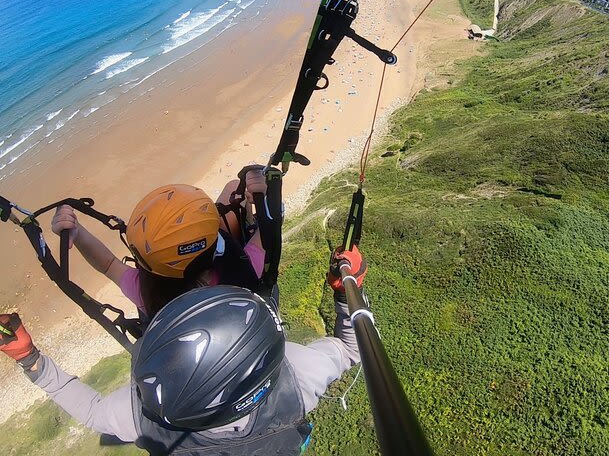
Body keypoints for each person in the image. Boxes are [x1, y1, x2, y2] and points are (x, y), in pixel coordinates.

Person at [0, 246, 368, 455]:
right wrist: (346, 291)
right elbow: (352, 350)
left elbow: (94, 412)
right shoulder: (300, 372)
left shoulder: (142, 417)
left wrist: (30, 360)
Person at [51, 171, 269, 318]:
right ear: (216, 251)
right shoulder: (244, 269)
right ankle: (238, 220)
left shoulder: (148, 294)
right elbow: (266, 234)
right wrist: (262, 199)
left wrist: (77, 233)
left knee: (231, 192)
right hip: (234, 297)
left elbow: (108, 264)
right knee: (233, 187)